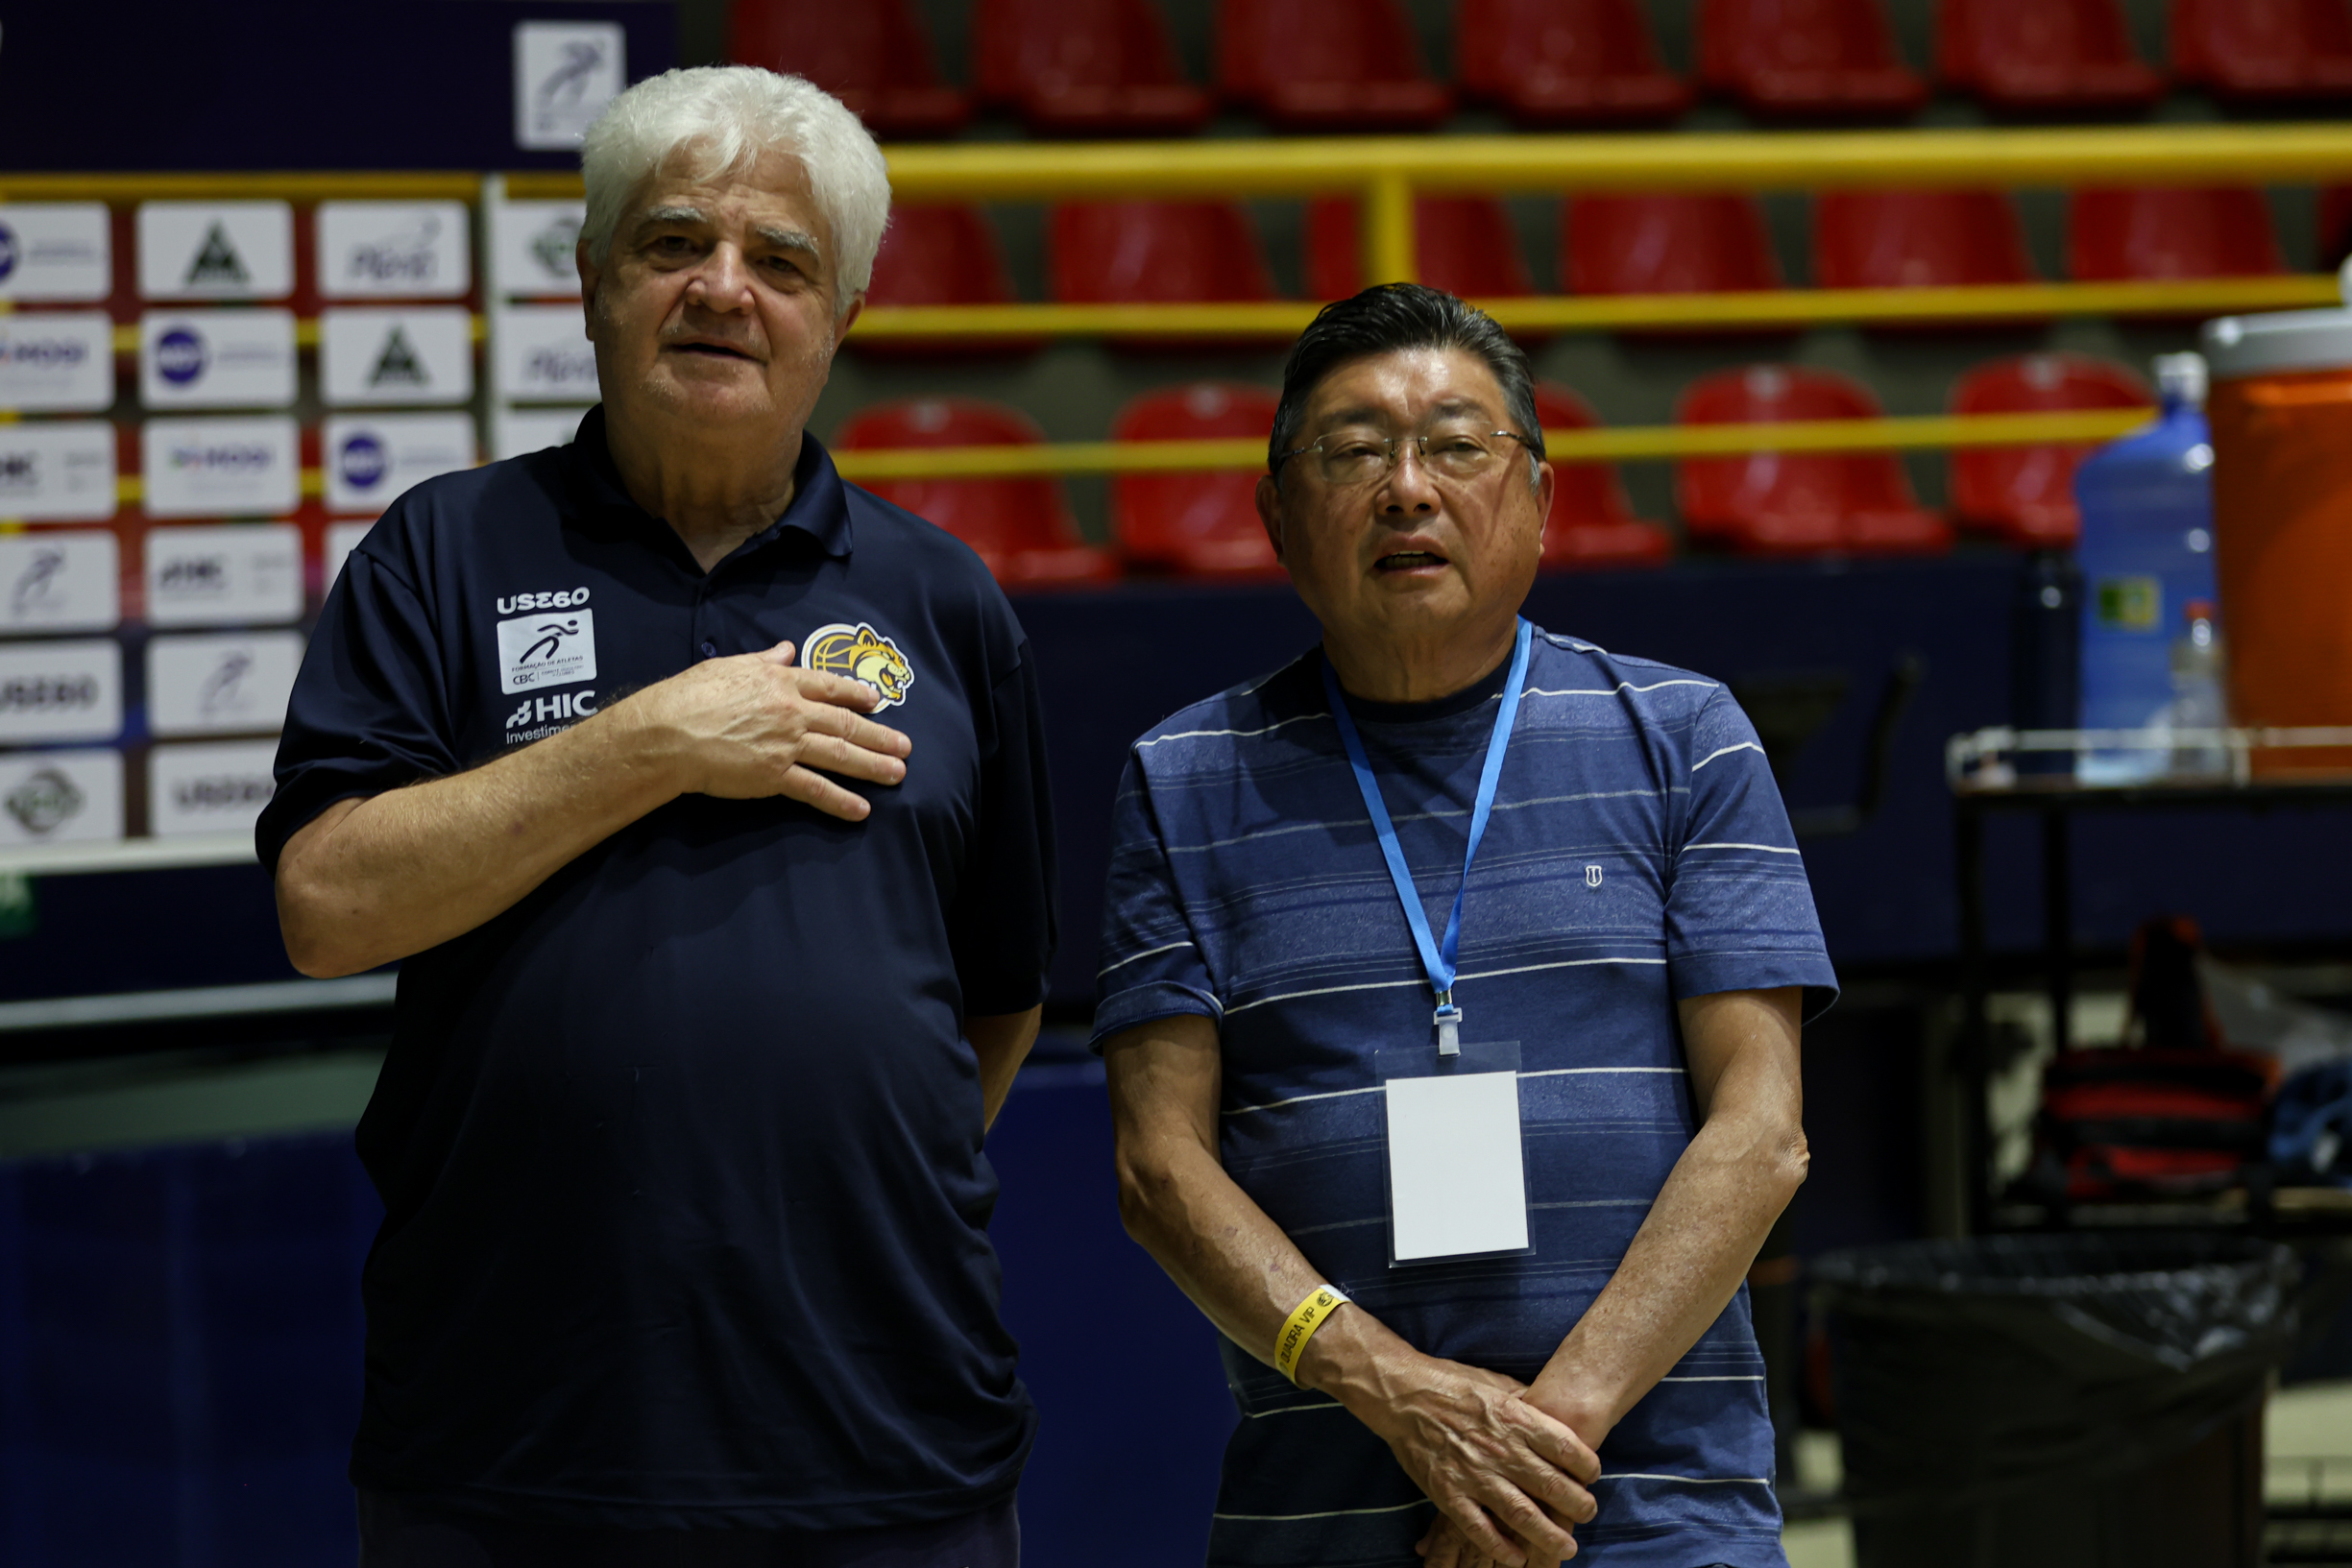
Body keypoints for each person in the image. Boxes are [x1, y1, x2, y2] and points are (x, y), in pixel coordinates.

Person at [261, 66, 1055, 1567]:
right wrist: (645, 743)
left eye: (780, 261)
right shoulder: (441, 552)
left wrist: (822, 1194)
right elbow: (328, 904)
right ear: (593, 280)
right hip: (509, 1448)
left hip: (884, 1442)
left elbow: (999, 998)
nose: (722, 289)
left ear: (843, 316)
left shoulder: (946, 598)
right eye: (674, 243)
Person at [1095, 284, 1835, 1568]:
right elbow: (1160, 1172)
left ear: (1539, 499)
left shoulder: (1686, 739)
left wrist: (1531, 1448)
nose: (1406, 489)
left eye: (1454, 445)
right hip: (1322, 1520)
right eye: (1352, 452)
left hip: (1649, 1514)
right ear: (1276, 517)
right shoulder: (1184, 779)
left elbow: (1761, 1133)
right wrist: (1404, 1397)